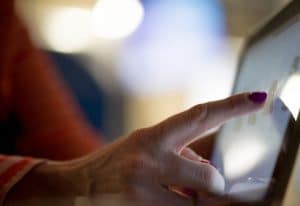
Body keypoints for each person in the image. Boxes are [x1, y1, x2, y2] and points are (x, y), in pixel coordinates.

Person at [0, 1, 268, 206]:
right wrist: (80, 180)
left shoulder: (7, 19)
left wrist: (158, 170)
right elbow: (80, 177)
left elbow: (72, 155)